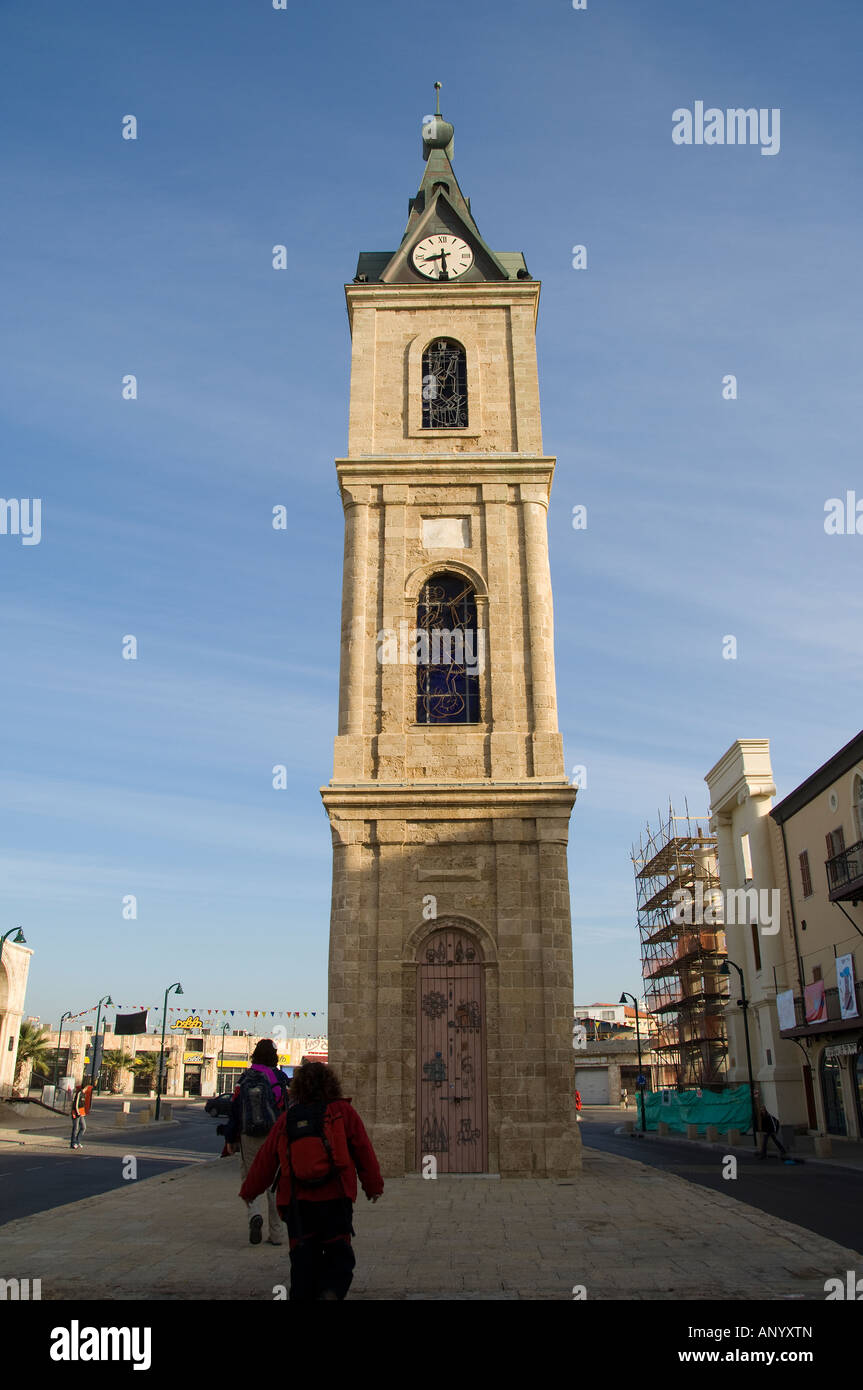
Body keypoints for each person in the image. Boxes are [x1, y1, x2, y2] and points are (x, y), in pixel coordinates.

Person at [240, 1061, 383, 1301]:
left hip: (298, 1203)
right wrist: (373, 1187)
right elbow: (363, 1152)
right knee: (340, 1255)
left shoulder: (289, 1118)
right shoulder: (343, 1112)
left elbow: (266, 1159)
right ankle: (331, 1291)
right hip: (336, 1198)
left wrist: (249, 1191)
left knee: (303, 1259)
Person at [223, 1039, 288, 1245]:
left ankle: (254, 1214)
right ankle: (276, 1234)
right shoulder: (278, 1076)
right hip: (274, 1135)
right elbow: (285, 1107)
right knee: (273, 1182)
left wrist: (230, 1139)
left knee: (250, 1177)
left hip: (248, 1135)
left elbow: (234, 1110)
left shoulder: (245, 1077)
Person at [70, 1079, 92, 1150]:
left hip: (81, 1113)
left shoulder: (84, 1094)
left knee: (83, 1127)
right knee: (75, 1128)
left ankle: (78, 1141)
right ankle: (73, 1143)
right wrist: (77, 1113)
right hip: (76, 1113)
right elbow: (76, 1103)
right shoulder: (79, 1093)